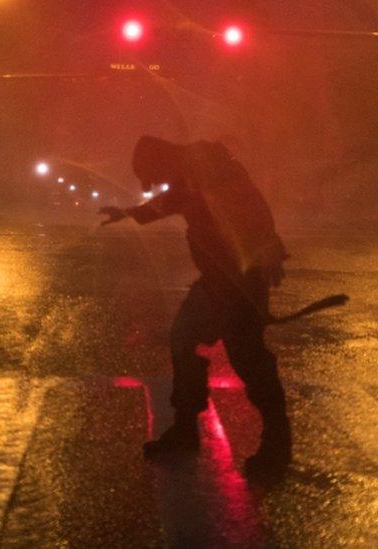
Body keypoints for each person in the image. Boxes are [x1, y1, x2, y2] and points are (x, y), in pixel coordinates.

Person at [99, 136, 293, 479]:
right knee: (183, 339)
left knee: (248, 359)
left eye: (150, 176)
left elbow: (252, 206)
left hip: (241, 281)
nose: (153, 184)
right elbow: (166, 203)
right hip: (216, 281)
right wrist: (127, 213)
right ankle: (186, 430)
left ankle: (278, 444)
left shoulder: (210, 168)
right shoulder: (187, 177)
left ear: (160, 160)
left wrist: (267, 245)